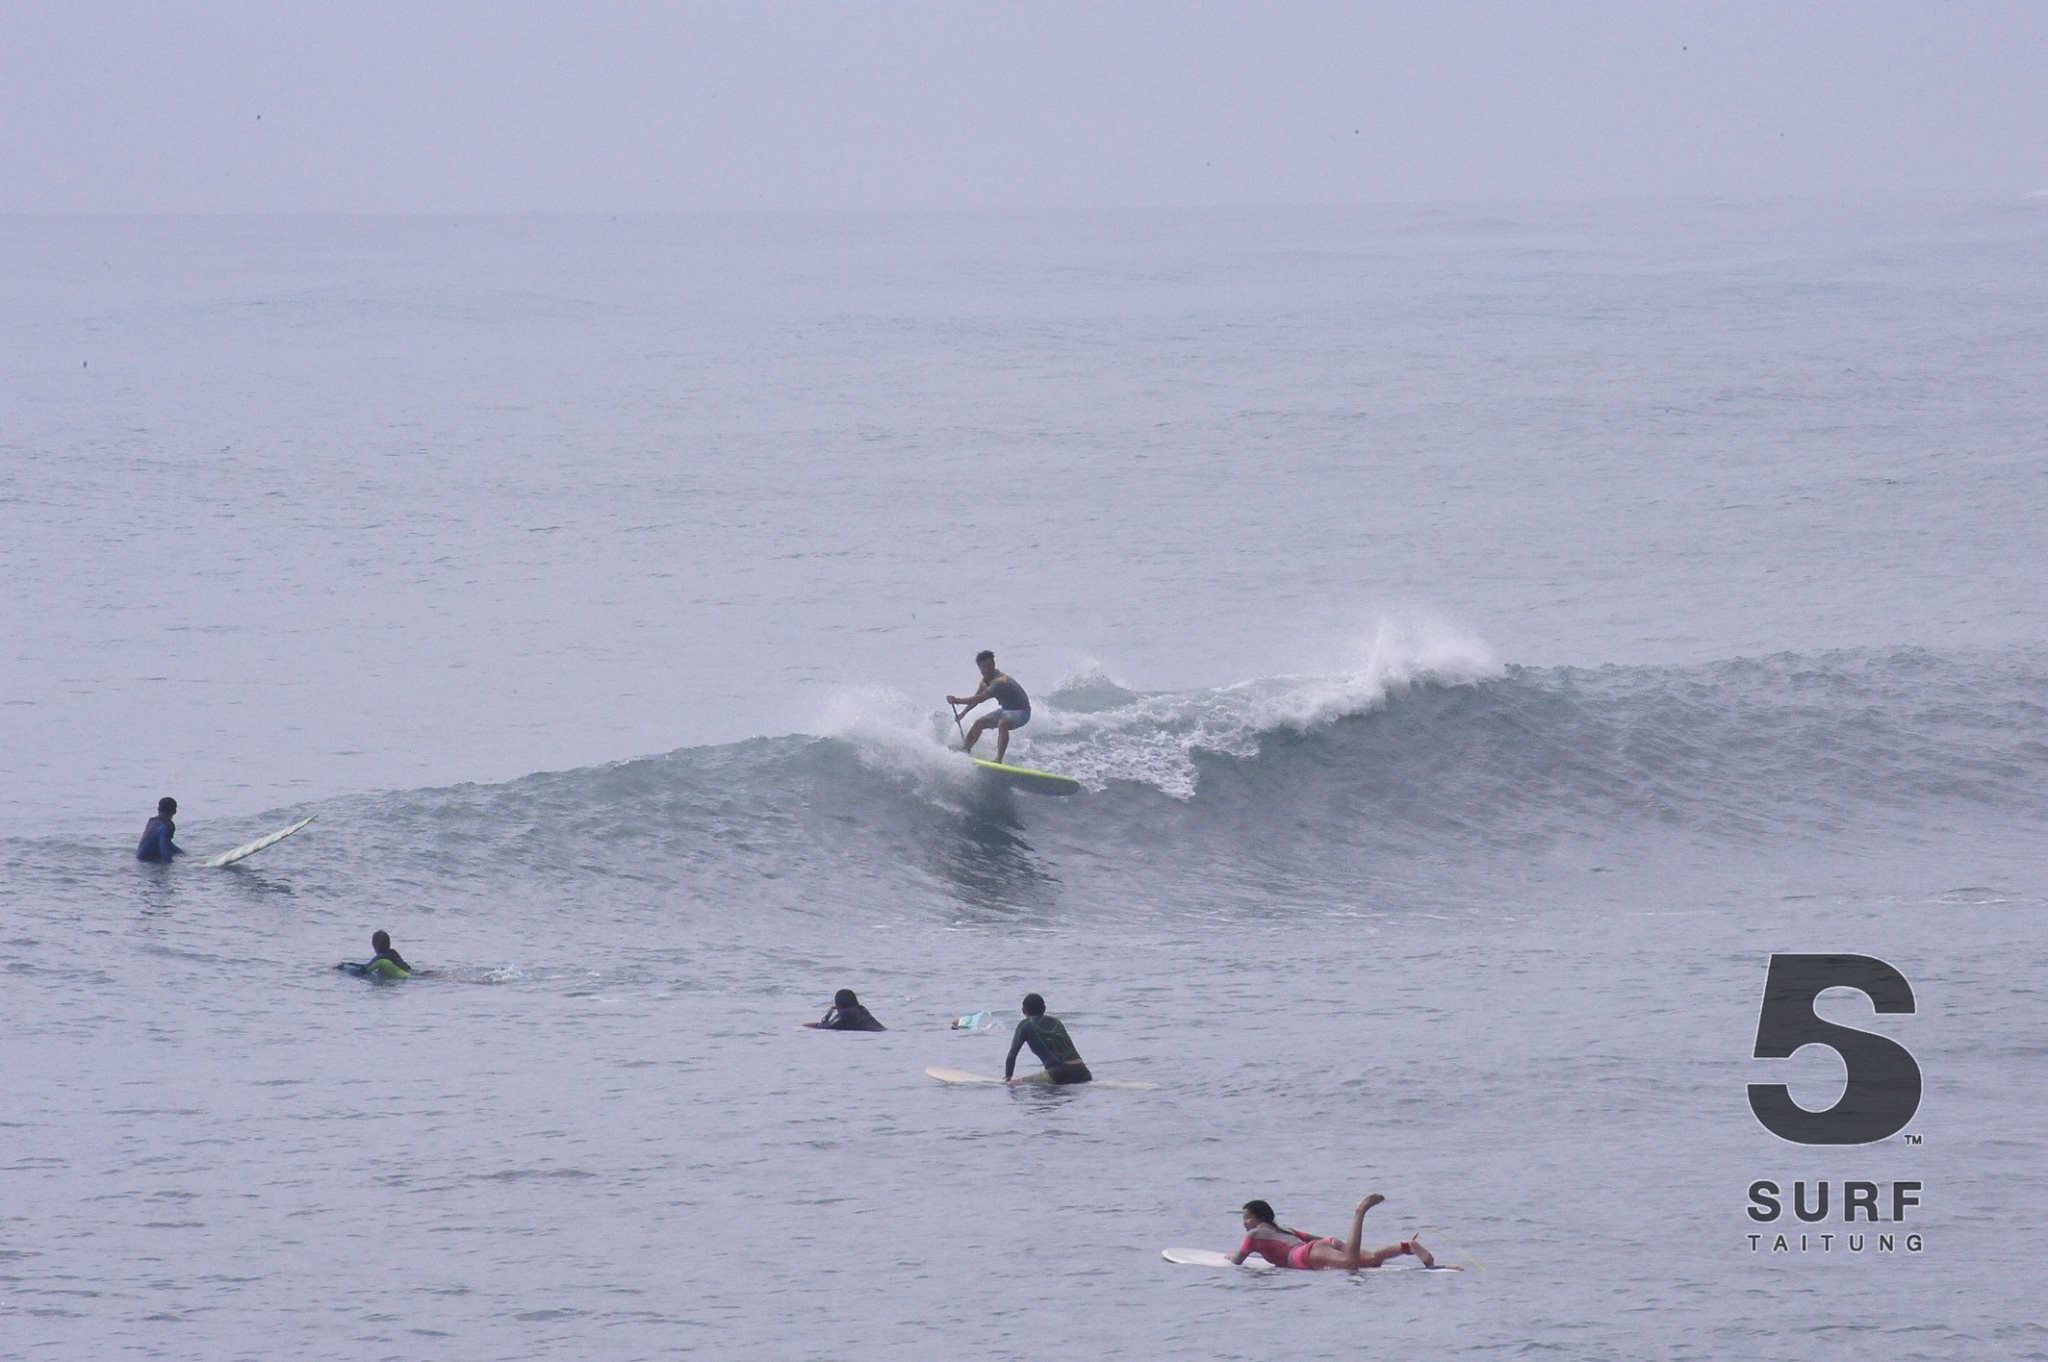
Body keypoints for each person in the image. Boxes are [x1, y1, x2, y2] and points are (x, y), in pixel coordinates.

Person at [1229, 1195, 1438, 1270]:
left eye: (1247, 1217)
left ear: (1260, 1217)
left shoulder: (1253, 1235)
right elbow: (1313, 1239)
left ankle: (1360, 1212)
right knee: (1373, 1259)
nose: (1245, 1223)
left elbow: (1238, 1260)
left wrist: (1231, 1256)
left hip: (1304, 1255)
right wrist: (1333, 1245)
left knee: (1350, 1264)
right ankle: (1407, 1247)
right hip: (1319, 1246)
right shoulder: (1284, 1228)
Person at [947, 649, 1030, 765]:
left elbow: (980, 698)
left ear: (994, 665)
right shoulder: (984, 681)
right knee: (979, 723)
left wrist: (957, 701)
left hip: (1022, 712)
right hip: (1005, 710)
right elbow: (976, 698)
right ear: (979, 668)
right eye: (983, 667)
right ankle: (965, 750)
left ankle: (999, 760)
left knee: (1003, 723)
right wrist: (963, 713)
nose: (987, 669)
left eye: (989, 666)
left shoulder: (1000, 682)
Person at [1003, 992, 1091, 1085]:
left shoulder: (1025, 1025)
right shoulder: (1056, 1021)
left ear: (1023, 1010)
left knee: (1016, 1084)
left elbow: (1011, 1056)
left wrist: (1008, 1079)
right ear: (1044, 1009)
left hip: (1059, 1074)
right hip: (1083, 1073)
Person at [336, 929, 412, 980]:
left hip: (411, 979)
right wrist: (349, 963)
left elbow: (360, 972)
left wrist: (344, 967)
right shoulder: (392, 953)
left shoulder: (381, 958)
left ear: (375, 945)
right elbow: (367, 966)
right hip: (415, 974)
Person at [135, 796, 182, 862]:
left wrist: (182, 853)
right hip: (149, 863)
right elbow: (164, 850)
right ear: (175, 811)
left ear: (158, 809)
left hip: (139, 859)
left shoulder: (152, 822)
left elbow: (168, 844)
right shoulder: (166, 826)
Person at [816, 988, 886, 1031]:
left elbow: (825, 1028)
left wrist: (828, 1015)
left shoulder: (846, 1014)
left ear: (838, 1004)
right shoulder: (861, 1009)